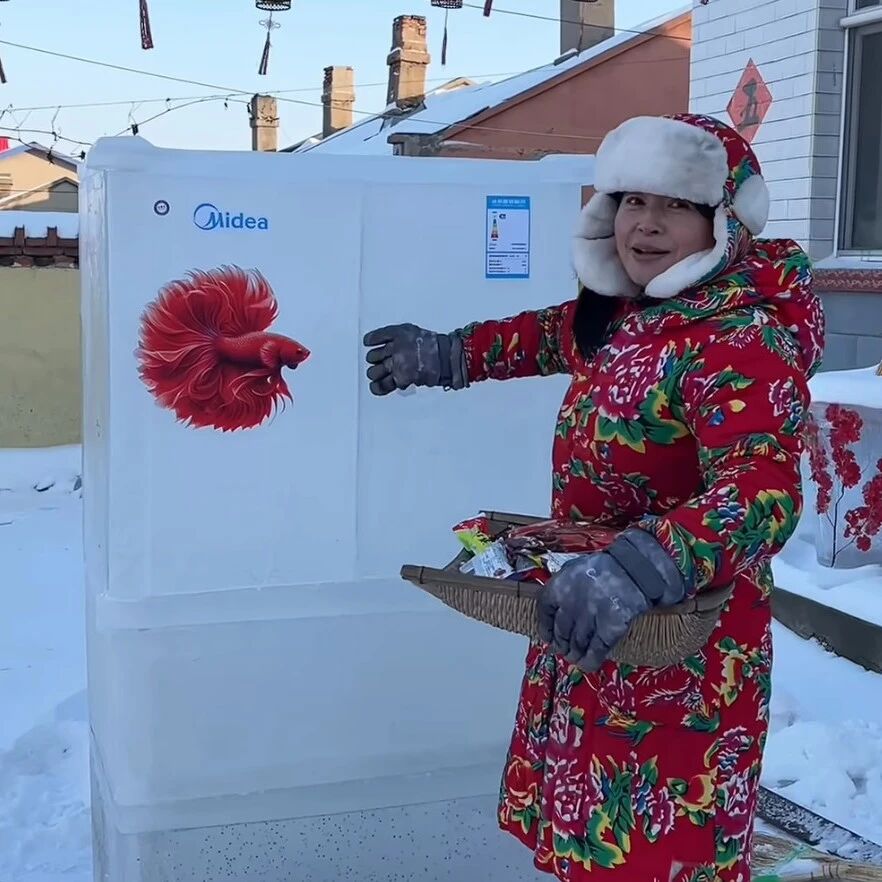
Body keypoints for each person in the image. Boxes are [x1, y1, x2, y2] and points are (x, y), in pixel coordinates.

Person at [363, 113, 825, 882]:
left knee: (658, 856)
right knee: (594, 844)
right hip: (595, 617)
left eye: (676, 205)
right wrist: (449, 354)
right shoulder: (628, 314)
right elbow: (549, 335)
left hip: (681, 652)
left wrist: (644, 565)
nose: (646, 224)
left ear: (725, 222)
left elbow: (762, 490)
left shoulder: (739, 338)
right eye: (633, 200)